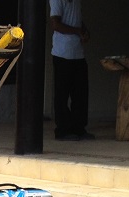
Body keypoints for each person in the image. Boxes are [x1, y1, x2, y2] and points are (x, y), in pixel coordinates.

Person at [49, 0, 94, 141]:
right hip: (62, 53)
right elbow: (55, 24)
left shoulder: (76, 2)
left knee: (80, 93)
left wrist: (84, 31)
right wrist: (77, 31)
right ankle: (62, 130)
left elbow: (78, 20)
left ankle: (79, 128)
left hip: (78, 53)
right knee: (62, 94)